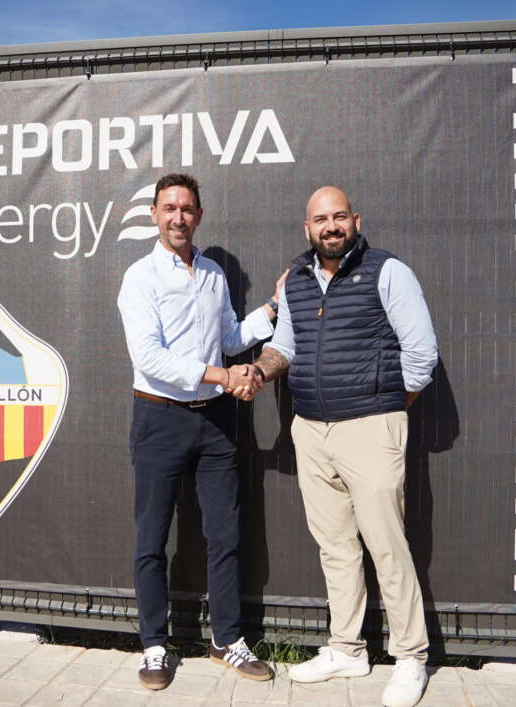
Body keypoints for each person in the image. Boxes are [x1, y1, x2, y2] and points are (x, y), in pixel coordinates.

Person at [236, 186, 437, 707]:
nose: (330, 226)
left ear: (355, 220)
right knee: (336, 548)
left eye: (339, 216)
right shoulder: (297, 280)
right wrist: (259, 369)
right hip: (311, 429)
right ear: (307, 228)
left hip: (371, 426)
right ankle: (347, 648)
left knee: (387, 546)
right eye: (320, 219)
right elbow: (285, 346)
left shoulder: (388, 271)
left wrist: (386, 406)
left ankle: (411, 656)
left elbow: (421, 354)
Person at [116, 173, 284, 690]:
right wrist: (221, 375)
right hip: (159, 418)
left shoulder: (212, 274)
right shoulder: (139, 277)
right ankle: (153, 646)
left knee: (225, 535)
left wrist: (274, 308)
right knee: (151, 538)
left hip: (215, 422)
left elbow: (230, 339)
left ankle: (226, 640)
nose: (178, 217)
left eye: (187, 209)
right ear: (154, 215)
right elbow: (149, 357)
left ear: (199, 216)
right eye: (169, 208)